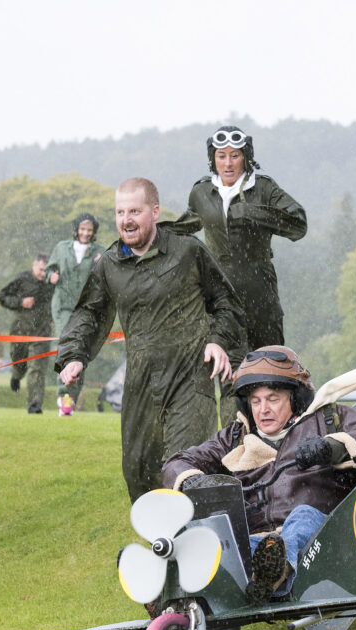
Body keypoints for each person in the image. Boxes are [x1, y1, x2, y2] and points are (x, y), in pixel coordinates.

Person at [56, 177, 243, 502]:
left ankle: (204, 544)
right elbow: (89, 313)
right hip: (141, 383)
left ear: (154, 211)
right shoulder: (111, 264)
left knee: (186, 469)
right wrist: (74, 355)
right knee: (138, 472)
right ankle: (164, 548)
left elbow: (226, 301)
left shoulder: (186, 250)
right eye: (119, 212)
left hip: (190, 380)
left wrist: (218, 340)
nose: (126, 220)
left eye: (134, 211)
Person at [162, 345, 356, 604]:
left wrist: (331, 447)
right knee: (216, 541)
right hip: (255, 543)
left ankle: (277, 569)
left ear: (294, 399)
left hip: (322, 540)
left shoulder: (327, 418)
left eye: (273, 399)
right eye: (255, 401)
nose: (263, 410)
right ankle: (174, 590)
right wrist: (192, 478)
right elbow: (179, 461)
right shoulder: (235, 436)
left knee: (302, 515)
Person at [171, 126, 307, 424]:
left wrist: (253, 213)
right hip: (221, 300)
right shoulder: (202, 192)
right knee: (230, 375)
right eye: (222, 156)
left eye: (235, 155)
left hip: (261, 298)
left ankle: (273, 448)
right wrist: (136, 242)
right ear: (213, 158)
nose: (229, 163)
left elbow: (299, 224)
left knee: (270, 374)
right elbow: (182, 230)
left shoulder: (264, 188)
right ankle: (233, 450)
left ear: (246, 158)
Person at [46, 213, 106, 415]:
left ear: (93, 232)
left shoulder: (99, 252)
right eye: (82, 229)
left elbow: (108, 272)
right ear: (76, 229)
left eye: (89, 230)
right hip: (63, 306)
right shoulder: (62, 248)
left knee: (81, 351)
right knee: (66, 347)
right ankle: (64, 395)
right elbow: (50, 268)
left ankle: (70, 399)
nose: (86, 233)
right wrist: (51, 276)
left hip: (86, 307)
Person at [0, 254, 52, 414]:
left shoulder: (53, 281)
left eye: (46, 270)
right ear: (33, 265)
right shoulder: (21, 279)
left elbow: (61, 300)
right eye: (41, 269)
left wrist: (55, 315)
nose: (43, 273)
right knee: (19, 360)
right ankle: (16, 374)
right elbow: (2, 296)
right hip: (20, 329)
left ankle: (34, 405)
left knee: (37, 368)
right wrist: (20, 302)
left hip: (42, 332)